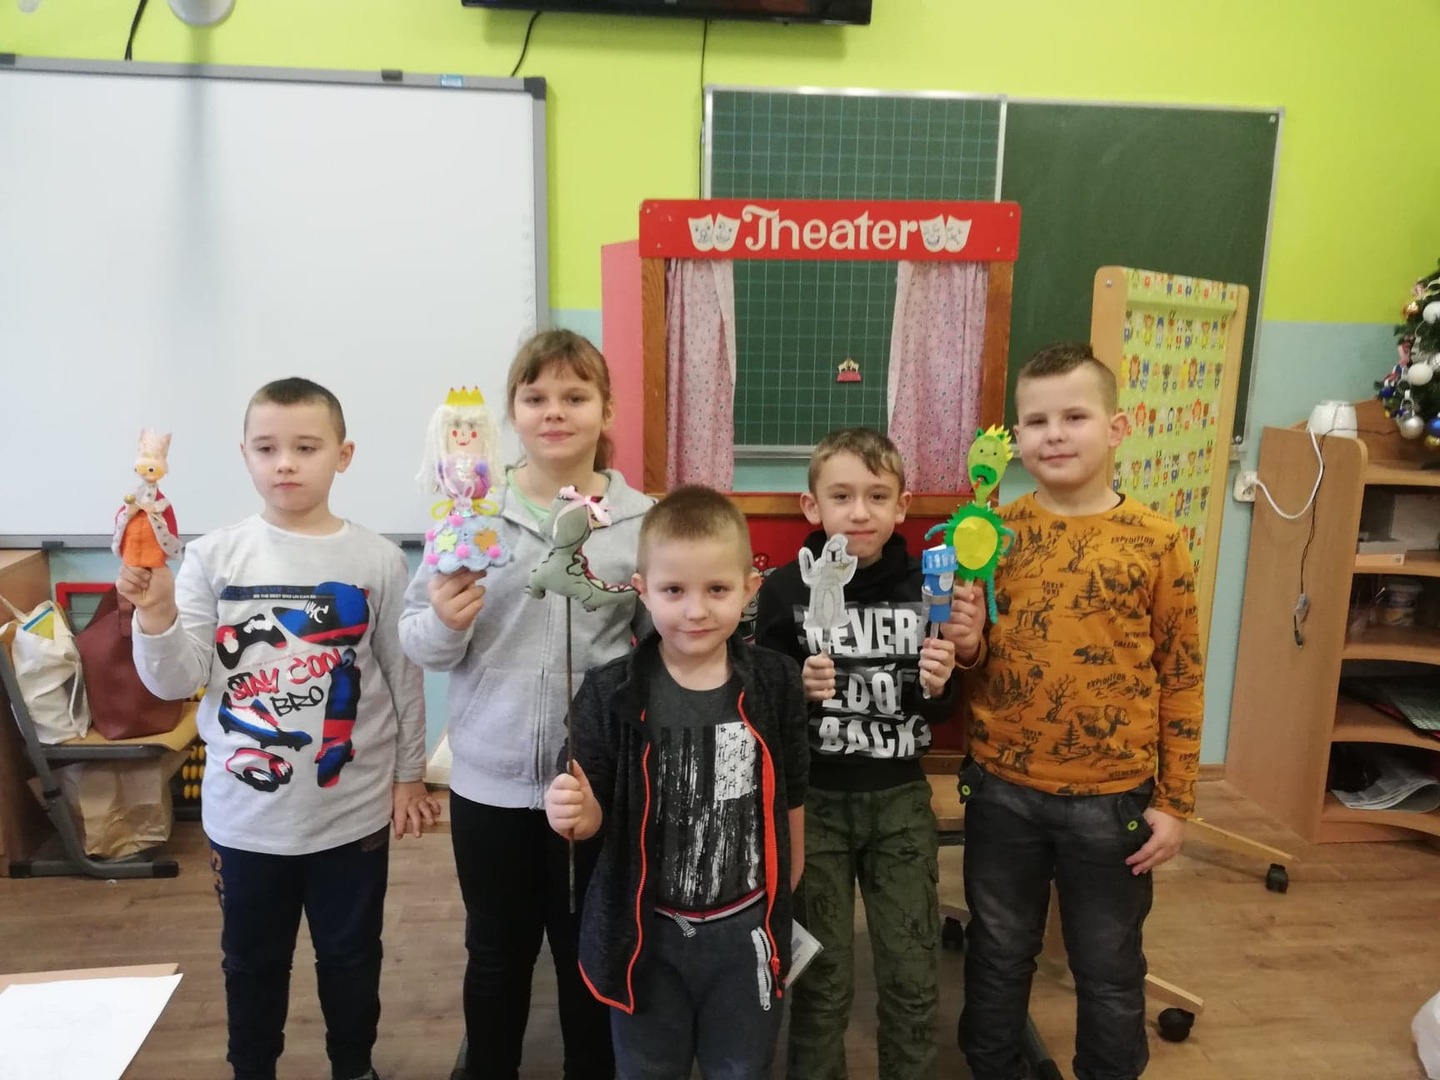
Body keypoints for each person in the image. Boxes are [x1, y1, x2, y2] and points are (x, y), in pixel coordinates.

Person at [120, 377, 439, 1080]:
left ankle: (353, 1065)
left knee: (351, 957)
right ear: (245, 455)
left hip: (350, 813)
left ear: (343, 455)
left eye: (306, 447)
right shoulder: (213, 557)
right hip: (245, 819)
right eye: (266, 448)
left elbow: (403, 675)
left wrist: (408, 775)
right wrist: (156, 614)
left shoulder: (377, 560)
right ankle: (252, 1067)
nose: (285, 463)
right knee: (252, 961)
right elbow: (173, 682)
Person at [399, 329, 652, 1080]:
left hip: (593, 787)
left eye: (575, 396)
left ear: (607, 410)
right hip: (490, 783)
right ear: (510, 413)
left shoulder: (641, 523)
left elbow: (663, 649)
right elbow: (419, 641)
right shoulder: (466, 513)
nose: (555, 411)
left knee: (586, 955)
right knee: (496, 954)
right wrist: (445, 620)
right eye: (535, 397)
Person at [955, 342, 1205, 1080]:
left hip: (1113, 798)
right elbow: (976, 659)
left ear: (1117, 428)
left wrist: (1176, 801)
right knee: (998, 952)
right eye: (1036, 422)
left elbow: (1181, 675)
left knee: (1109, 966)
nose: (1054, 435)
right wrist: (966, 645)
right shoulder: (992, 533)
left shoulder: (1159, 542)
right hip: (1002, 788)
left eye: (1075, 417)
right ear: (1016, 438)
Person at [545, 485, 809, 1079]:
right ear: (642, 589)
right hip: (646, 939)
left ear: (750, 587)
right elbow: (589, 811)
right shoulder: (609, 692)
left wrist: (786, 886)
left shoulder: (776, 682)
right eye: (673, 591)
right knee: (647, 1068)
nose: (695, 611)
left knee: (742, 1068)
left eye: (717, 589)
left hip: (747, 930)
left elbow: (792, 792)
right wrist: (572, 811)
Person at [753, 427, 984, 1080]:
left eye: (877, 496)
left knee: (912, 975)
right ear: (812, 506)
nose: (860, 512)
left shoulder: (926, 589)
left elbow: (938, 710)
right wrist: (795, 690)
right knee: (821, 979)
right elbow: (760, 710)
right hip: (813, 803)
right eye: (842, 496)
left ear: (902, 506)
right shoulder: (786, 592)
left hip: (899, 800)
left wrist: (941, 683)